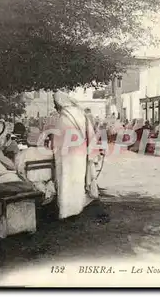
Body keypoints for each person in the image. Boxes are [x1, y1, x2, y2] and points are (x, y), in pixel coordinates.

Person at [53, 91, 109, 222]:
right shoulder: (80, 114)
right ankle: (77, 208)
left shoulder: (63, 117)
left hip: (65, 156)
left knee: (65, 180)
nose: (55, 107)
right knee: (78, 180)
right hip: (80, 153)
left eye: (55, 104)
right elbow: (90, 134)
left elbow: (57, 139)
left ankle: (66, 211)